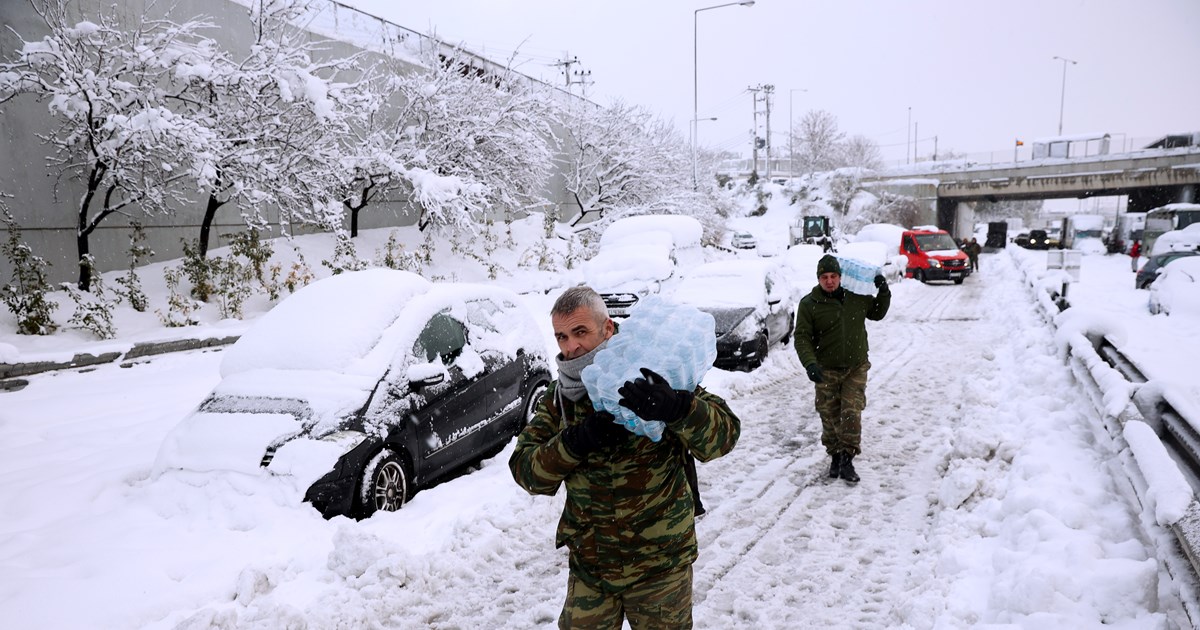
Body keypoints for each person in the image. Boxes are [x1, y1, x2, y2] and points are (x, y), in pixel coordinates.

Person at [509, 285, 741, 629]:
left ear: (608, 329)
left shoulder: (650, 373)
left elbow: (723, 436)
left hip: (659, 566)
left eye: (580, 332)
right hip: (592, 567)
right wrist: (575, 441)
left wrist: (677, 407)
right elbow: (526, 471)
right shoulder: (561, 400)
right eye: (561, 336)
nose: (570, 347)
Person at [793, 255, 891, 483]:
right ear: (819, 279)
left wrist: (884, 291)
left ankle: (847, 457)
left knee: (851, 410)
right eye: (825, 277)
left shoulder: (855, 298)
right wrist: (810, 363)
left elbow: (877, 312)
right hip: (826, 368)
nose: (829, 281)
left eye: (833, 276)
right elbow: (802, 338)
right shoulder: (809, 304)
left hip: (855, 366)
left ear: (840, 277)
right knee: (829, 414)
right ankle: (835, 454)